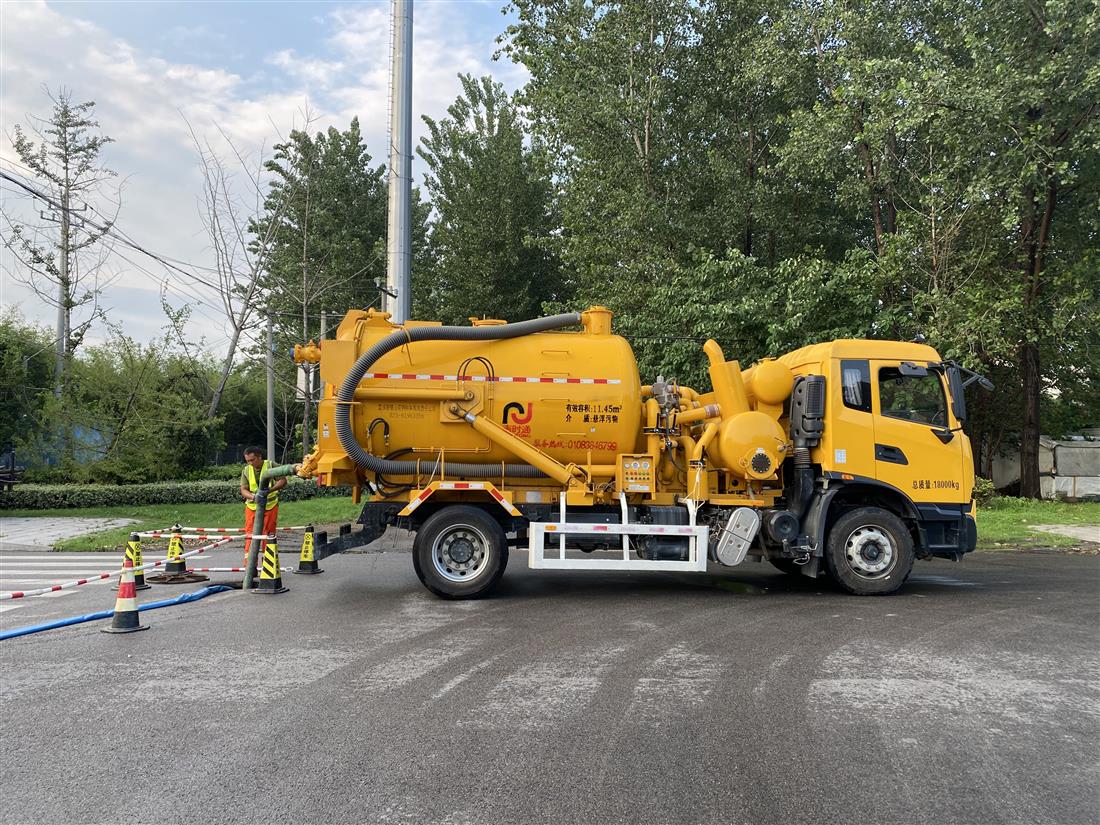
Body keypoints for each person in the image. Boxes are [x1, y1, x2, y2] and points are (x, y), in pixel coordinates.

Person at [240, 447, 298, 559]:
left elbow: (283, 481)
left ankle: (268, 564)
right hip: (252, 507)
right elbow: (243, 489)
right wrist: (253, 497)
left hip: (270, 506)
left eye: (252, 460)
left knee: (269, 534)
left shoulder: (271, 465)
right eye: (248, 461)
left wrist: (270, 490)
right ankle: (250, 567)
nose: (250, 463)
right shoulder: (246, 470)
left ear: (260, 457)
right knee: (250, 535)